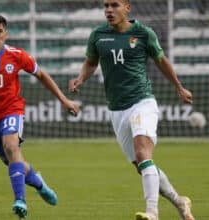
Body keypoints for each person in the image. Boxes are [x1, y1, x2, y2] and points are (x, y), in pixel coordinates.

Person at [68, 1, 194, 220]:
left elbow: (161, 60)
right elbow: (91, 62)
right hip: (117, 110)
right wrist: (80, 79)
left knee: (143, 153)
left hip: (142, 102)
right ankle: (179, 202)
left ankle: (152, 212)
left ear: (127, 7)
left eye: (114, 5)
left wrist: (179, 87)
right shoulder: (98, 35)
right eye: (105, 5)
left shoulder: (143, 33)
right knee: (142, 166)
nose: (109, 10)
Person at [0, 14, 80, 219]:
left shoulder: (17, 54)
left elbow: (42, 75)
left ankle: (20, 201)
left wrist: (64, 100)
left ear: (6, 34)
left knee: (12, 146)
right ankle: (39, 184)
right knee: (13, 161)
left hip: (12, 110)